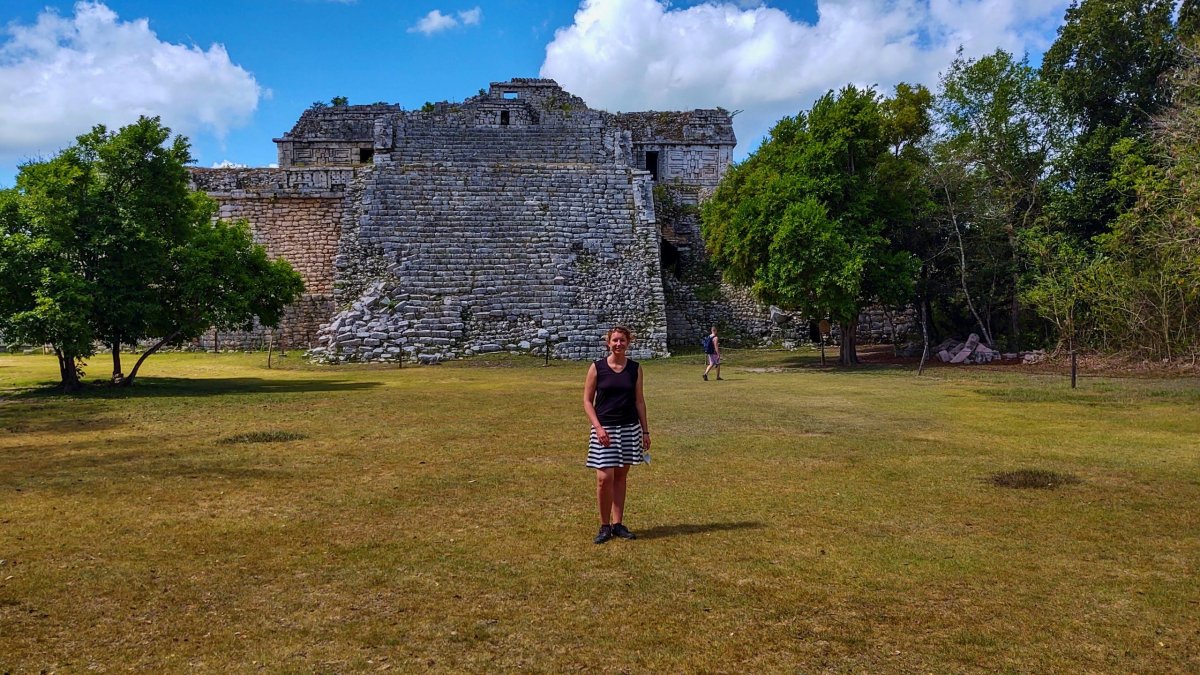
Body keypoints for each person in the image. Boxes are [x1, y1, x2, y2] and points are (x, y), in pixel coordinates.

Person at [583, 326, 650, 544]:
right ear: (608, 343)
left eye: (622, 341)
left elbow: (639, 401)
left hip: (629, 428)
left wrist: (645, 431)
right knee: (604, 479)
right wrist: (599, 428)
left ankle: (618, 524)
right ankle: (604, 526)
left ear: (628, 343)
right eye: (615, 341)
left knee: (621, 478)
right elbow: (587, 401)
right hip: (605, 429)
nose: (618, 344)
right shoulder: (597, 367)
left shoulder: (635, 369)